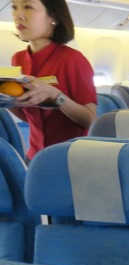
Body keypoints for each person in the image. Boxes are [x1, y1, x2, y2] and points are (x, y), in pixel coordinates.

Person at [10, 0, 96, 160]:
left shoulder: (72, 59)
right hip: (35, 156)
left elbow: (90, 121)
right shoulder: (18, 59)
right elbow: (29, 117)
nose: (18, 15)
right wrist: (6, 101)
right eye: (14, 7)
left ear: (53, 17)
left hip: (70, 158)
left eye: (28, 7)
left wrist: (55, 96)